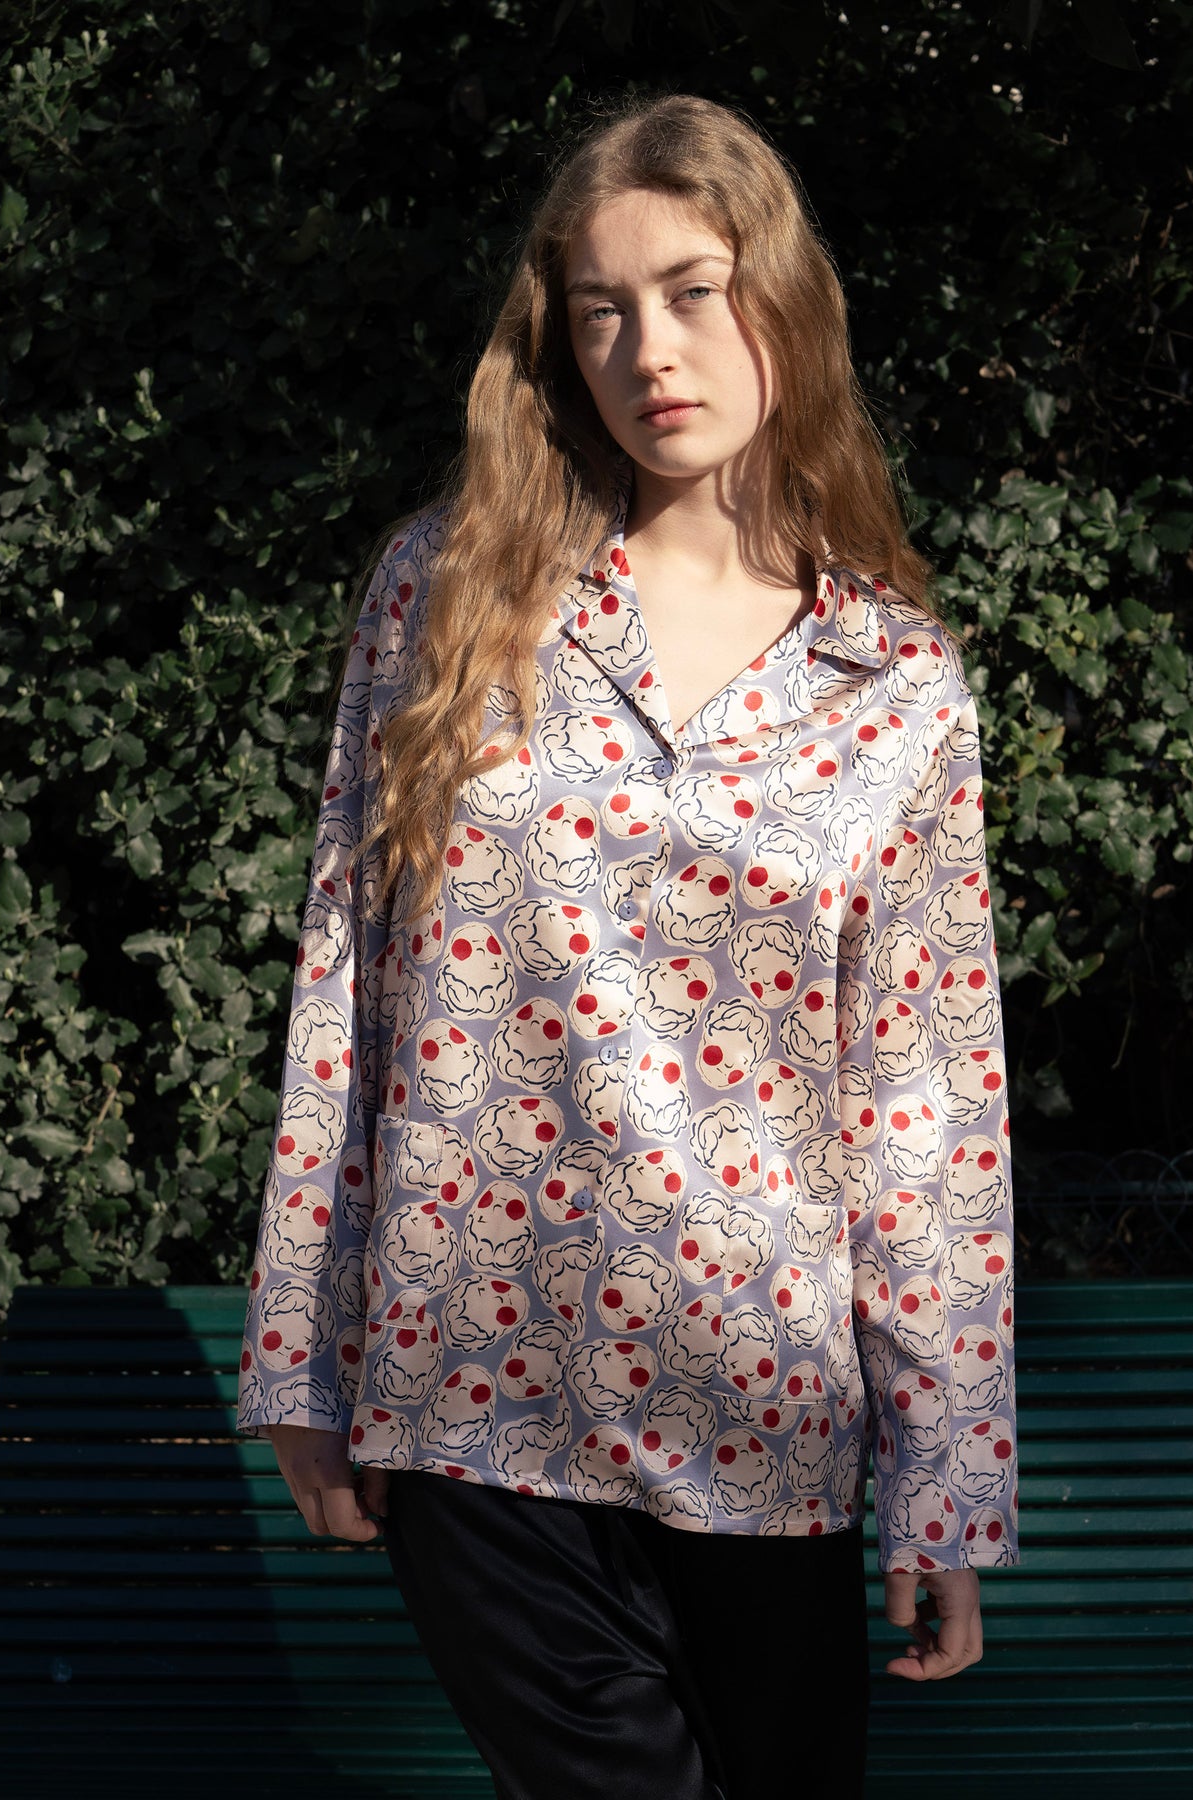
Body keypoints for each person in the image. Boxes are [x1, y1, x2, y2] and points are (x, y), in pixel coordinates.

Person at [236, 93, 1018, 1800]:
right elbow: (344, 981)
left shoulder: (892, 682)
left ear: (780, 301)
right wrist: (300, 1344)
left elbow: (925, 1108)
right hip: (471, 1390)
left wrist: (947, 1483)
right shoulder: (447, 596)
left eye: (692, 291)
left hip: (763, 1418)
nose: (648, 350)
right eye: (601, 309)